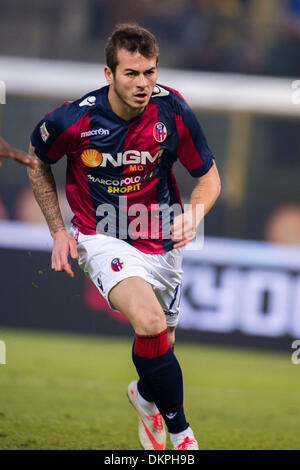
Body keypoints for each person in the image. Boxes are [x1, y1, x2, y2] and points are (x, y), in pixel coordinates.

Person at [27, 23, 221, 450]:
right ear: (108, 74)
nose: (143, 83)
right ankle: (183, 436)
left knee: (162, 344)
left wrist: (195, 212)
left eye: (149, 72)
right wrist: (59, 231)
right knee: (149, 322)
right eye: (131, 73)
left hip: (163, 240)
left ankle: (144, 396)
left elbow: (208, 177)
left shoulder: (173, 111)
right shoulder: (73, 119)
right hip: (101, 235)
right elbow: (37, 161)